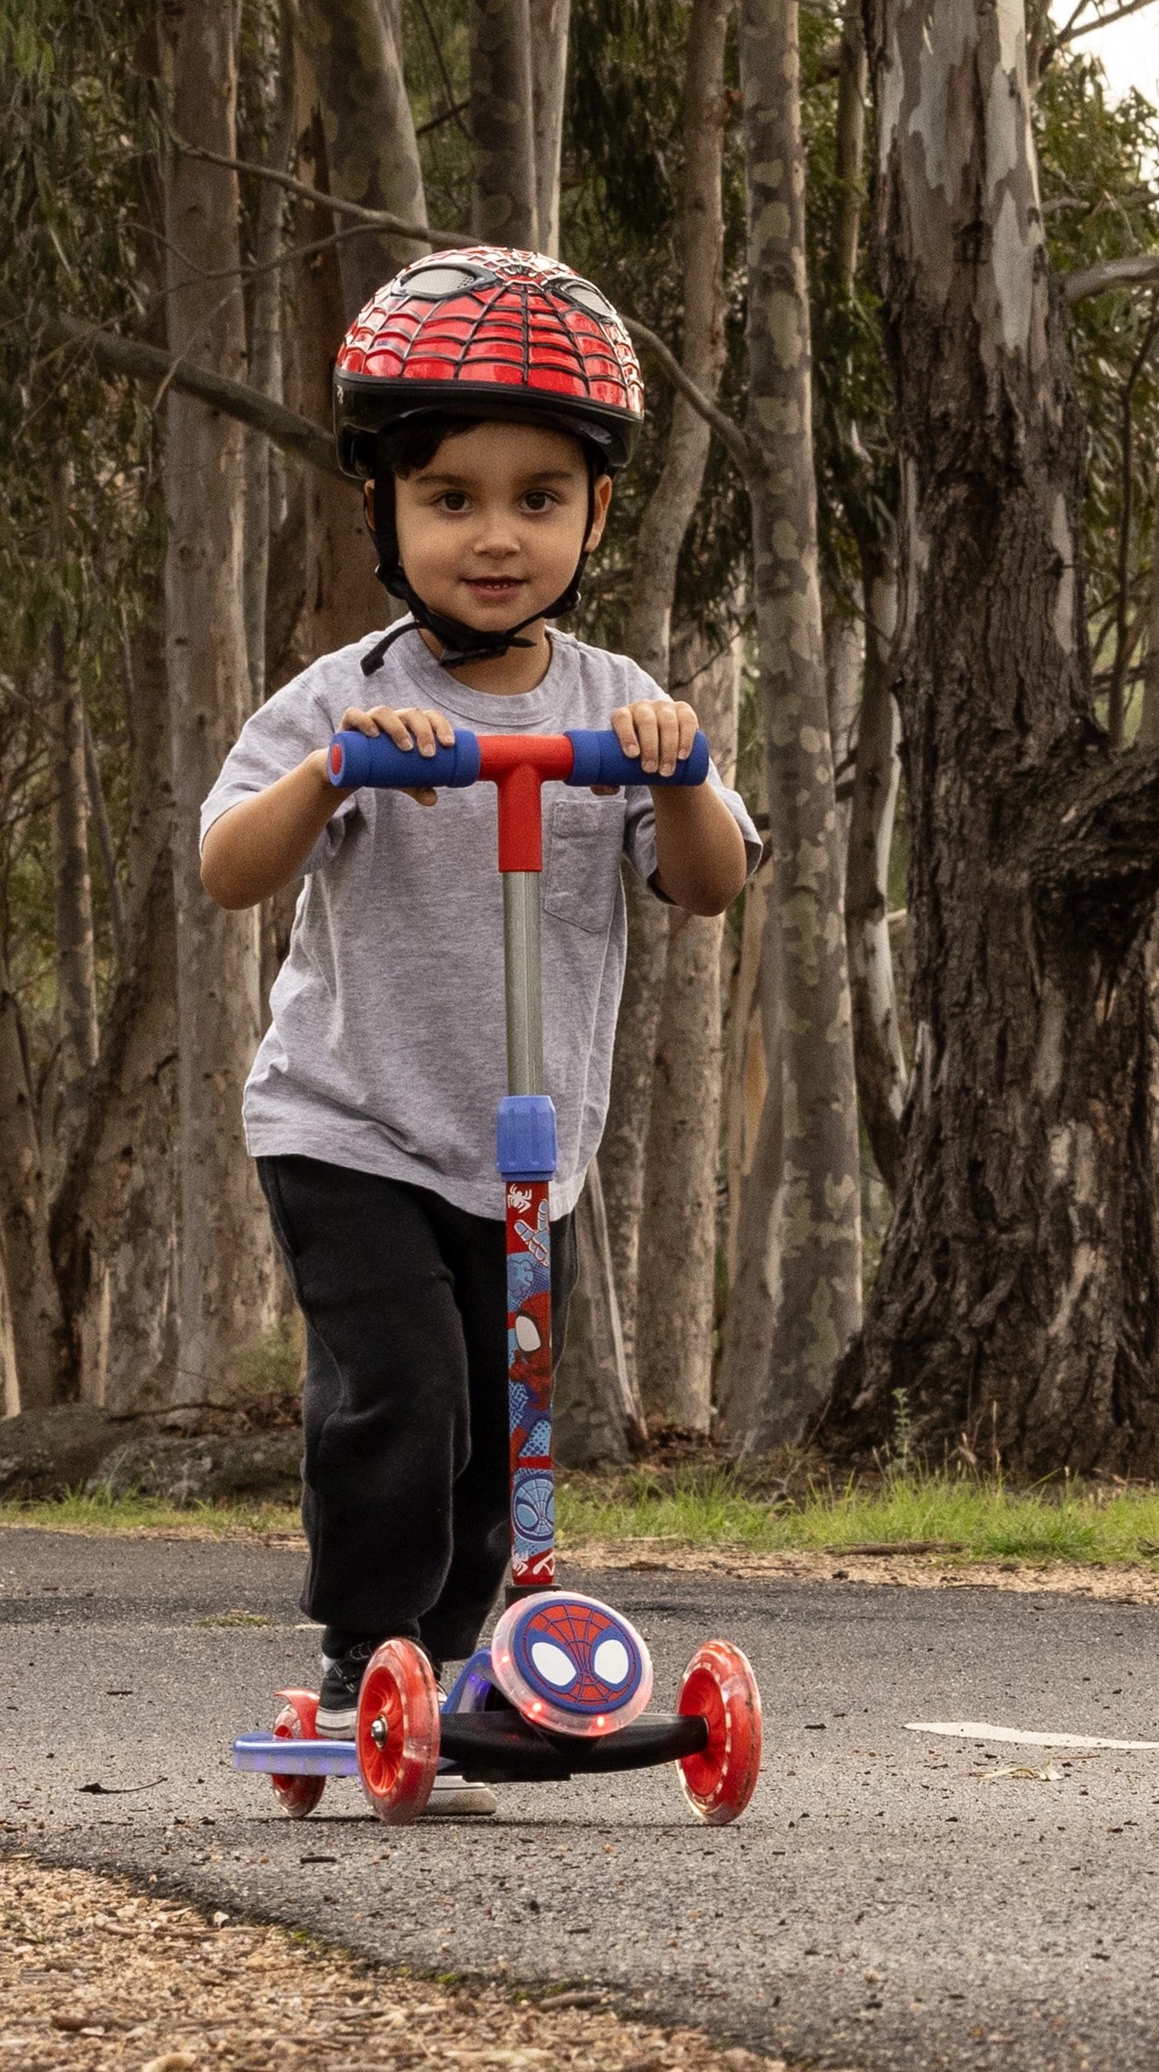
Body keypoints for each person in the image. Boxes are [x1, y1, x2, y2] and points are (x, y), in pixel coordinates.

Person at [198, 247, 758, 1816]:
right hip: (348, 1121)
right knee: (408, 1395)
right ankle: (361, 1653)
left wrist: (682, 768)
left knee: (494, 1443)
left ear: (593, 516)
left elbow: (707, 886)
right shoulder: (338, 699)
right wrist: (337, 776)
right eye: (449, 496)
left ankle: (444, 1671)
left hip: (526, 1157)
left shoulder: (624, 698)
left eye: (536, 497)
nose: (494, 533)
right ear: (383, 510)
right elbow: (227, 869)